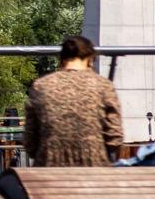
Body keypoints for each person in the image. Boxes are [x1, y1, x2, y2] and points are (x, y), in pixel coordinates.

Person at [24, 36, 124, 166]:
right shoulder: (103, 86)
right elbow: (115, 138)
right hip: (94, 168)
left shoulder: (41, 86)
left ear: (62, 59)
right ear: (90, 60)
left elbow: (30, 142)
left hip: (49, 168)